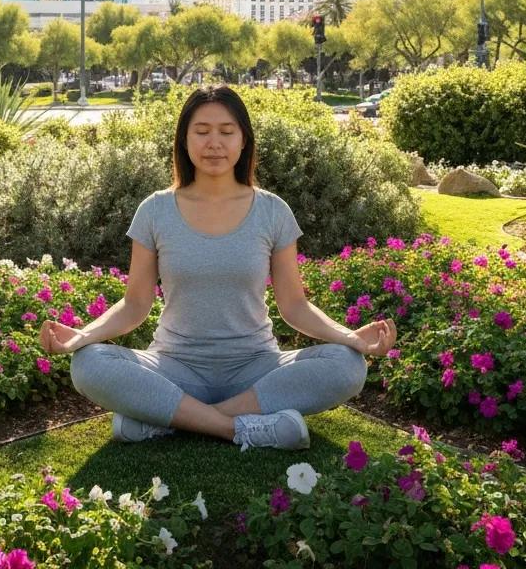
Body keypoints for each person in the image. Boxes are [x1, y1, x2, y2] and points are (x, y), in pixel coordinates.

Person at [39, 84, 397, 452]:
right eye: (202, 131)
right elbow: (135, 305)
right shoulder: (155, 210)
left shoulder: (272, 211)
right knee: (88, 363)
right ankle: (238, 428)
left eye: (226, 132)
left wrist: (350, 338)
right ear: (184, 140)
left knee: (348, 364)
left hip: (255, 370)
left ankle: (172, 420)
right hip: (174, 368)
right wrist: (82, 336)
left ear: (243, 141)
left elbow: (294, 306)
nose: (214, 143)